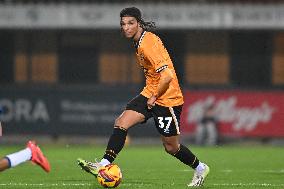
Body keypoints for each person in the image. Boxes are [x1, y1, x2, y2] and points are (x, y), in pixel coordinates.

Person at [77, 7, 209, 187]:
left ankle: (200, 167)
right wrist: (151, 94)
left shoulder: (148, 43)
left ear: (139, 23)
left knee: (171, 147)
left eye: (131, 23)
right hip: (150, 93)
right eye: (123, 24)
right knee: (122, 121)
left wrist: (155, 96)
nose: (126, 27)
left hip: (168, 99)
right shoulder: (139, 41)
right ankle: (104, 165)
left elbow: (168, 75)